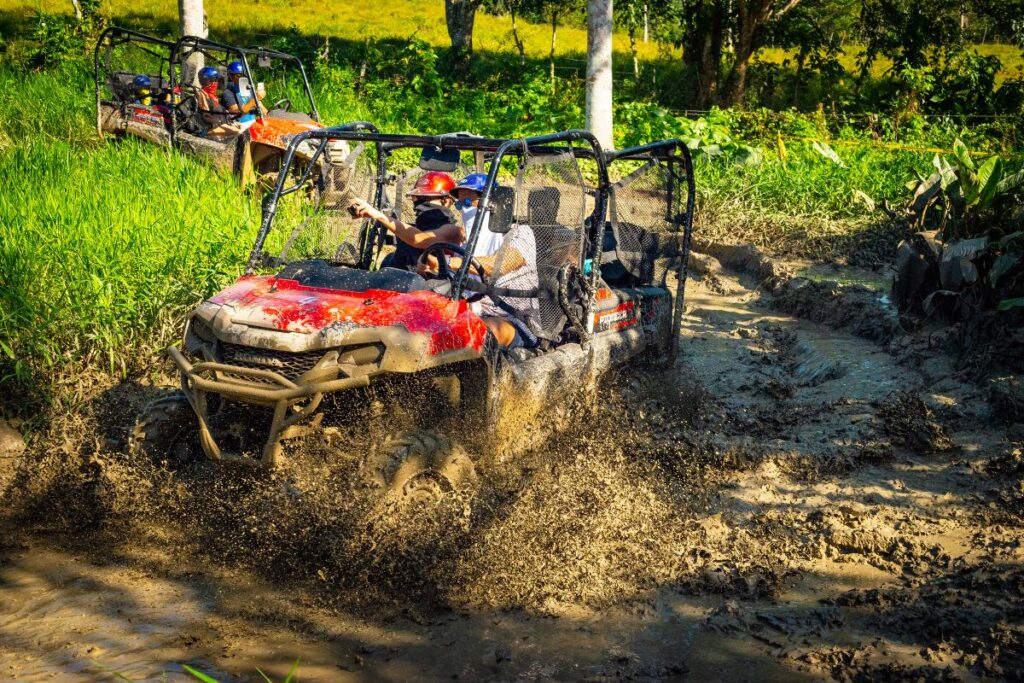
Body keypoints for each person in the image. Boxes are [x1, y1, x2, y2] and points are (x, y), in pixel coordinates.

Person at [347, 172, 464, 272]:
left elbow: (419, 239)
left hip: (435, 292)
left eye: (426, 199)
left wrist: (377, 215)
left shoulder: (453, 231)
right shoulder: (414, 229)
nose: (420, 205)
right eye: (417, 199)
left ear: (447, 201)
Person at [452, 172, 504, 260]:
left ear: (491, 202)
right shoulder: (462, 250)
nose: (464, 208)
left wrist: (450, 262)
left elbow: (503, 265)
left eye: (467, 202)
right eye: (459, 204)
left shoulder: (515, 234)